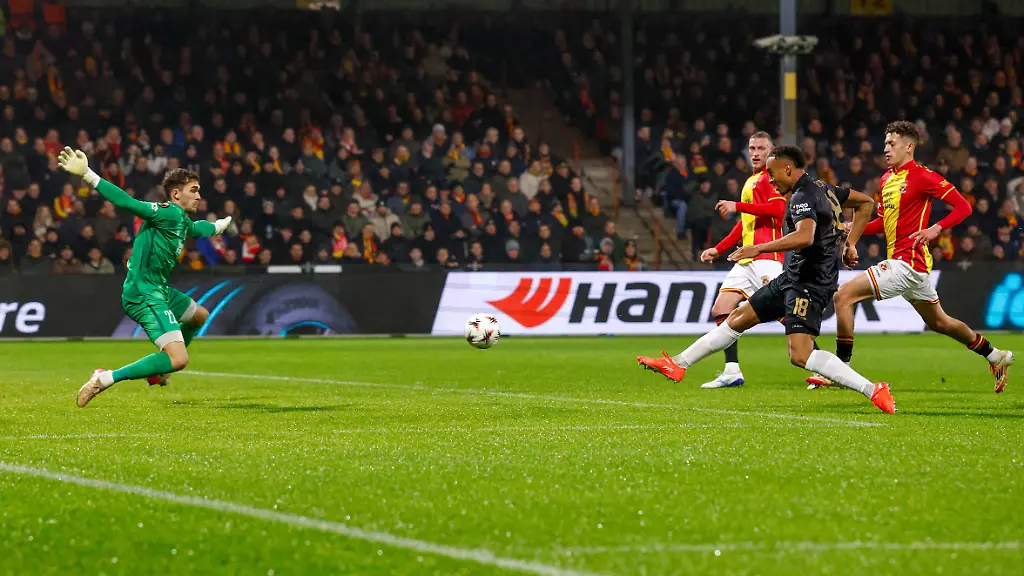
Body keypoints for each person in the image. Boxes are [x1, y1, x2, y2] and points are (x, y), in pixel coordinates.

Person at [637, 145, 896, 414]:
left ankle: (873, 389)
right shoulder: (825, 188)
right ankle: (678, 364)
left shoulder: (802, 197)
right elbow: (866, 203)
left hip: (809, 283)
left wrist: (758, 248)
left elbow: (805, 236)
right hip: (792, 277)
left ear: (788, 168)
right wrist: (850, 244)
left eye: (773, 173)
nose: (770, 180)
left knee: (800, 355)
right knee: (737, 318)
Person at [808, 121, 1013, 393]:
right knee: (940, 322)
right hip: (910, 266)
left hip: (907, 263)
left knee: (843, 296)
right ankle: (995, 355)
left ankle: (840, 370)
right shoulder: (886, 179)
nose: (886, 148)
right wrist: (850, 229)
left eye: (891, 144)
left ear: (909, 146)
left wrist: (935, 228)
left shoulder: (923, 176)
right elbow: (882, 222)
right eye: (885, 143)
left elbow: (964, 206)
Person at [57, 148, 232, 408]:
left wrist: (217, 226)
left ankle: (160, 368)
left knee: (200, 316)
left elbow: (196, 229)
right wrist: (88, 175)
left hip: (158, 289)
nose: (199, 195)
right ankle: (105, 379)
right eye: (194, 190)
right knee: (179, 360)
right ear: (176, 194)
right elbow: (128, 203)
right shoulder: (167, 212)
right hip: (144, 292)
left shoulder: (181, 220)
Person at [696, 131, 784, 388]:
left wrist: (738, 205)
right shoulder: (752, 180)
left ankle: (825, 368)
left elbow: (778, 212)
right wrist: (718, 249)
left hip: (766, 255)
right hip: (746, 259)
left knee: (788, 312)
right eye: (752, 148)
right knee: (721, 309)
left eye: (761, 148)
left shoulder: (771, 178)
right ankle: (732, 370)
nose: (755, 153)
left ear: (771, 150)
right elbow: (746, 224)